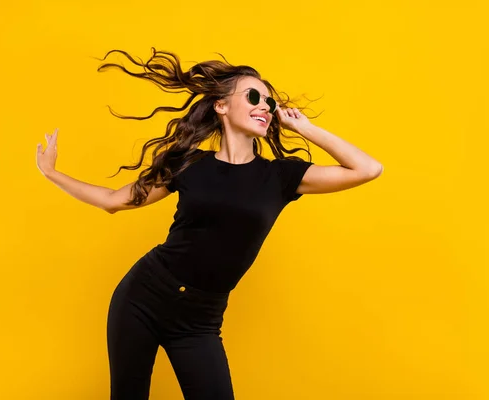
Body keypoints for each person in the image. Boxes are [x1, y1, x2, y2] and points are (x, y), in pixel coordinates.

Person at [35, 48, 383, 400]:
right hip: (143, 297)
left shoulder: (280, 176)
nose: (265, 106)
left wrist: (305, 128)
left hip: (200, 321)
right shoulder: (189, 164)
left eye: (270, 102)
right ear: (221, 105)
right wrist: (52, 174)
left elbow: (368, 169)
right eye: (253, 97)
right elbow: (114, 201)